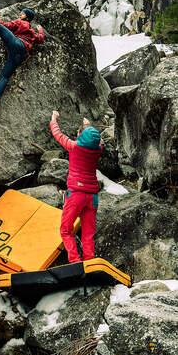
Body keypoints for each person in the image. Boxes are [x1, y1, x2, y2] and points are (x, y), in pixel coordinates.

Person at [50, 110, 102, 264]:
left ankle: (75, 261)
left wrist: (54, 118)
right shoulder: (98, 149)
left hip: (77, 195)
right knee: (88, 233)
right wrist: (88, 126)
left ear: (80, 136)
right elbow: (93, 139)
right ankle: (89, 262)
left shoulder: (74, 147)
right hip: (92, 197)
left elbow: (57, 134)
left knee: (66, 230)